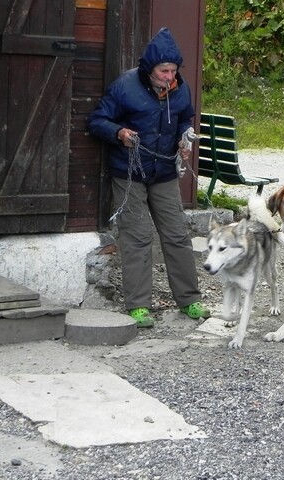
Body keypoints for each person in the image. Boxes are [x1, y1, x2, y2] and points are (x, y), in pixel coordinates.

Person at [87, 28, 210, 328]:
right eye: (163, 71)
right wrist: (119, 133)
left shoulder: (181, 89)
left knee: (178, 235)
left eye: (173, 70)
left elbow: (185, 117)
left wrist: (184, 139)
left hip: (164, 172)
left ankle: (190, 300)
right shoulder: (125, 87)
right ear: (149, 69)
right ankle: (139, 306)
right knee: (137, 237)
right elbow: (96, 120)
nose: (170, 76)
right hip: (129, 173)